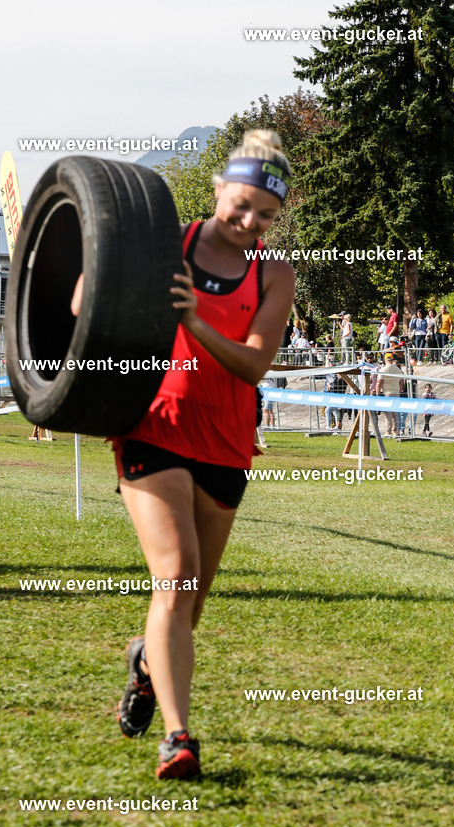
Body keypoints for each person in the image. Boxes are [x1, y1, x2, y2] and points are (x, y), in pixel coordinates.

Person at [103, 129, 295, 779]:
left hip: (226, 441)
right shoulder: (168, 246)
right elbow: (85, 306)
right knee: (177, 575)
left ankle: (145, 662)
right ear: (217, 189)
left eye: (264, 215)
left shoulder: (273, 273)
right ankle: (178, 739)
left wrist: (195, 322)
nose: (248, 222)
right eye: (239, 205)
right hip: (153, 426)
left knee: (190, 602)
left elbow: (253, 364)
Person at [376, 353, 403, 436]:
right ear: (392, 359)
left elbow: (379, 383)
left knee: (388, 413)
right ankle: (396, 431)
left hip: (387, 393)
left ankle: (388, 431)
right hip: (396, 392)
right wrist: (399, 388)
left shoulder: (383, 370)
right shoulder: (398, 369)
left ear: (385, 360)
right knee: (395, 413)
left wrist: (377, 393)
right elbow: (402, 380)